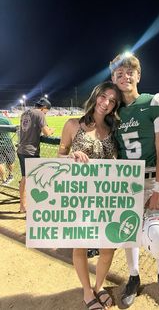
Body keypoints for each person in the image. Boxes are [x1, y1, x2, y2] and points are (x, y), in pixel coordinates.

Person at [109, 53, 159, 307]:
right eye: (119, 73)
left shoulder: (153, 102)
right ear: (113, 79)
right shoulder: (113, 113)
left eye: (129, 72)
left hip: (151, 180)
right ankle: (134, 277)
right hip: (127, 181)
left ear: (138, 75)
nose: (125, 76)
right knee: (129, 231)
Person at [58, 81, 122, 310]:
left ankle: (99, 285)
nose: (106, 103)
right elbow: (59, 158)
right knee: (80, 247)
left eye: (112, 100)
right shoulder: (72, 125)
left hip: (106, 198)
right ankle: (87, 290)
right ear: (96, 96)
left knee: (108, 248)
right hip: (79, 198)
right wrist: (71, 156)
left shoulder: (114, 130)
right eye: (104, 96)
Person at [17, 97, 55, 213]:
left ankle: (23, 205)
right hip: (30, 151)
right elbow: (46, 133)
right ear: (44, 108)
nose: (46, 114)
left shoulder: (25, 113)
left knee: (25, 177)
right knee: (29, 178)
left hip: (21, 149)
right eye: (46, 111)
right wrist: (51, 130)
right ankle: (25, 206)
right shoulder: (39, 114)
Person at [0, 113, 15, 184]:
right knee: (10, 160)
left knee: (0, 163)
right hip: (7, 143)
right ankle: (11, 175)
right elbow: (12, 128)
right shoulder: (4, 119)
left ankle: (3, 179)